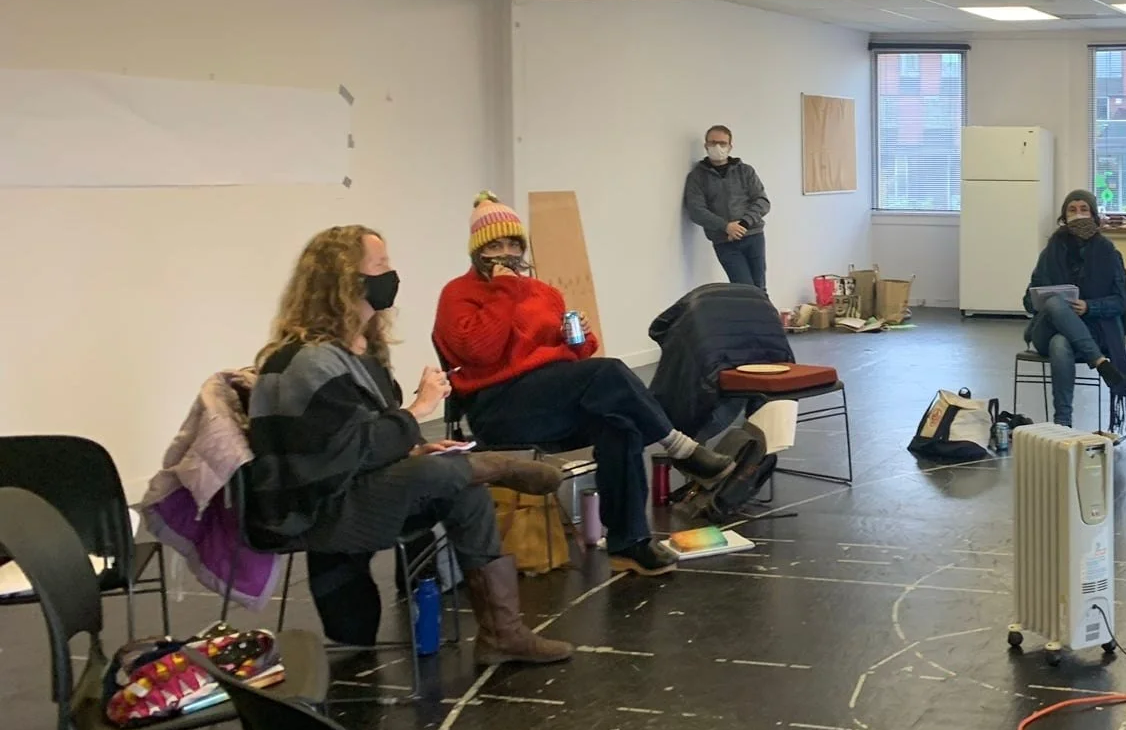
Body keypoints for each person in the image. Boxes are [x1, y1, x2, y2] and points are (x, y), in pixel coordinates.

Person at [245, 225, 571, 666]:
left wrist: (415, 448)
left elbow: (365, 442)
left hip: (355, 488)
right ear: (345, 281)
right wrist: (417, 411)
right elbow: (339, 457)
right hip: (315, 508)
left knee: (462, 487)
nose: (391, 275)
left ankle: (502, 633)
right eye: (380, 267)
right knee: (442, 473)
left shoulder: (358, 350)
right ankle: (498, 466)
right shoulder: (308, 361)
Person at [433, 193, 734, 578]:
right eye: (494, 246)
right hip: (499, 405)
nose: (506, 253)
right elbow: (479, 350)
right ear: (478, 252)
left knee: (619, 422)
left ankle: (630, 543)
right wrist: (504, 293)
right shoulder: (458, 295)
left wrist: (578, 341)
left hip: (551, 396)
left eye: (512, 244)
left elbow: (567, 356)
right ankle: (680, 447)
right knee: (608, 373)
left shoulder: (543, 292)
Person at [1021, 189, 1126, 429]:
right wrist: (1042, 302)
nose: (1078, 215)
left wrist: (1089, 307)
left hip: (1091, 331)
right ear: (1063, 217)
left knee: (1060, 344)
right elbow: (1028, 302)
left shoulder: (1109, 254)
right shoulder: (1050, 252)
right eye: (1072, 210)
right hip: (1045, 329)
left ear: (1094, 215)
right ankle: (1100, 362)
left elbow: (1121, 302)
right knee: (1054, 302)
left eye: (1084, 209)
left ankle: (1063, 423)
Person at [683, 125, 770, 289]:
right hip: (725, 242)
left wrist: (743, 224)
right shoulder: (697, 177)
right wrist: (726, 227)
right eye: (713, 142)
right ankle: (750, 315)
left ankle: (765, 315)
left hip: (753, 236)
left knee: (760, 287)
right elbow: (696, 211)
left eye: (722, 143)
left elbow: (762, 202)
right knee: (743, 289)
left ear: (730, 146)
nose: (718, 147)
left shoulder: (745, 171)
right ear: (706, 145)